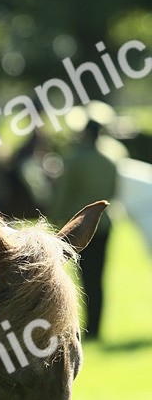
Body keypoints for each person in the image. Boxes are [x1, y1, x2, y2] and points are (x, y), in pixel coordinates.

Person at [50, 117, 119, 340]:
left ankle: (85, 328)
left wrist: (54, 218)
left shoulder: (75, 159)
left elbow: (64, 193)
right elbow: (113, 191)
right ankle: (97, 326)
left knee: (81, 279)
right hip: (105, 224)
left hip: (80, 226)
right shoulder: (110, 159)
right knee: (98, 276)